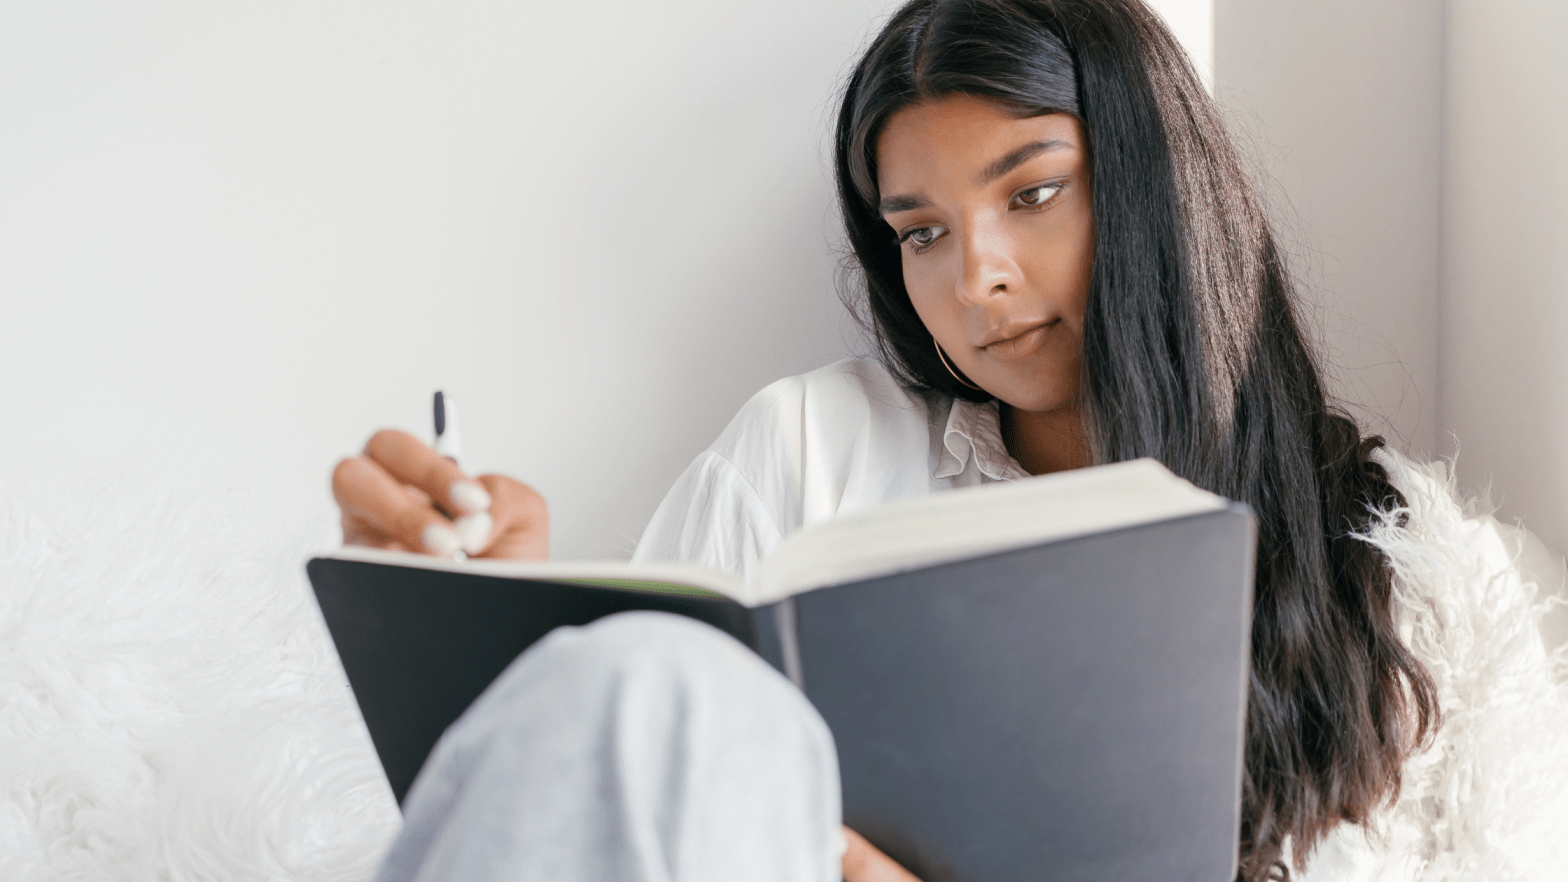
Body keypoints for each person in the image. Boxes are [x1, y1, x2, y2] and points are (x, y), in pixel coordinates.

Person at [330, 0, 1568, 879]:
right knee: (635, 682)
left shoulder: (1414, 572)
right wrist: (518, 645)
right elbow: (615, 812)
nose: (974, 275)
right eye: (918, 231)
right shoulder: (809, 446)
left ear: (1152, 182)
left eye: (1031, 194)